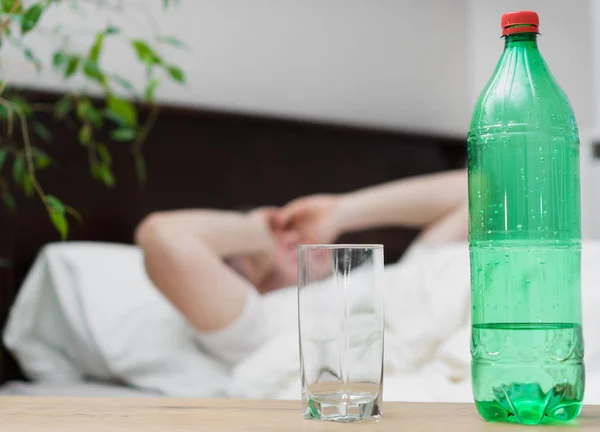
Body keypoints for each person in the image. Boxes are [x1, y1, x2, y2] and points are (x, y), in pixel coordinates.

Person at [134, 169, 468, 364]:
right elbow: (161, 236)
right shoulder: (255, 325)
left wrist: (343, 210)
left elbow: (485, 187)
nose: (294, 239)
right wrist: (257, 232)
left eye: (290, 231)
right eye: (281, 240)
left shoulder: (398, 277)